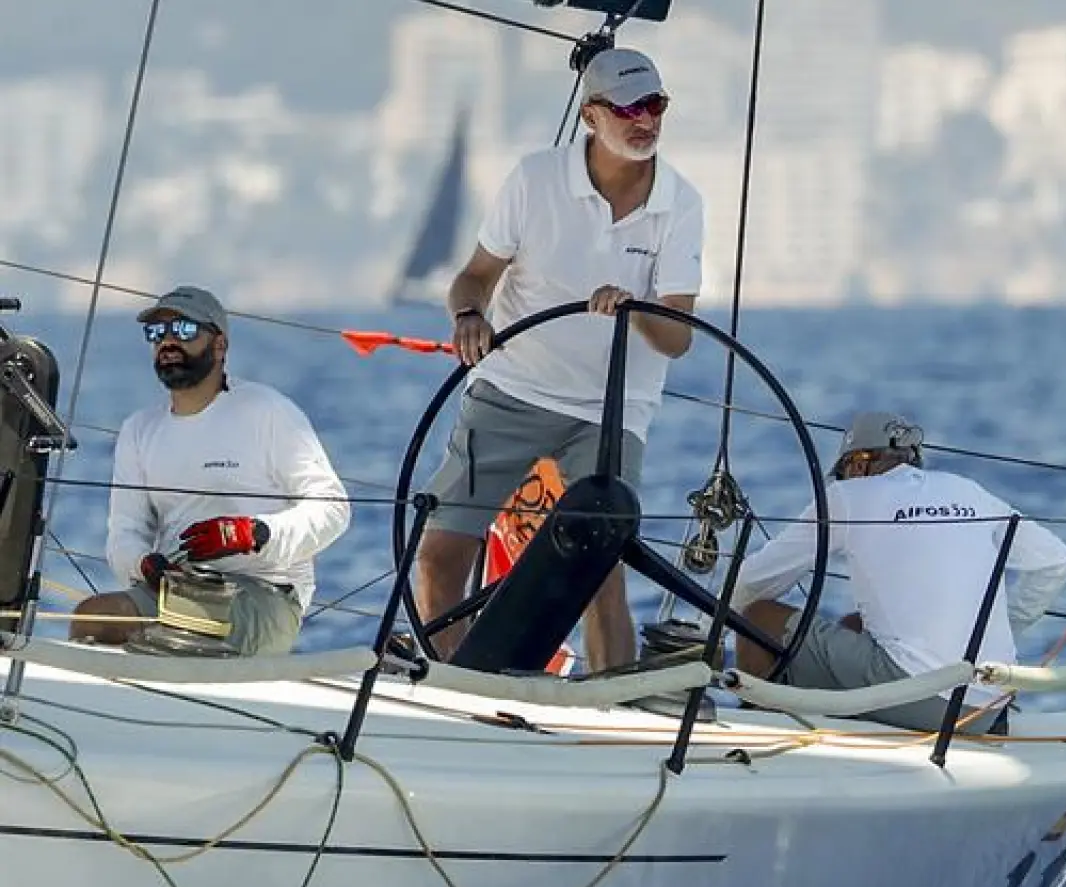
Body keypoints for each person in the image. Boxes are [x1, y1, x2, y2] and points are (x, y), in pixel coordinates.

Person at [416, 45, 705, 672]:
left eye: (654, 105)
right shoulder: (533, 179)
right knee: (441, 552)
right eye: (627, 108)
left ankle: (610, 709)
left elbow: (677, 337)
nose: (644, 121)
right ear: (591, 114)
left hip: (612, 408)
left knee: (599, 570)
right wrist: (468, 317)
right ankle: (456, 692)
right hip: (514, 389)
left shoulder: (681, 204)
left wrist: (635, 306)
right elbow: (472, 278)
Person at [729, 411, 1066, 733]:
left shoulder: (847, 495)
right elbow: (1058, 562)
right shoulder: (967, 490)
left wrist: (706, 636)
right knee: (855, 625)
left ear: (858, 464)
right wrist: (1002, 628)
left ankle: (755, 739)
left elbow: (753, 583)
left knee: (759, 618)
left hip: (926, 701)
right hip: (990, 704)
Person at [69, 285, 351, 656]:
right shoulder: (139, 430)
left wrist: (255, 532)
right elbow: (125, 533)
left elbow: (333, 508)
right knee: (92, 618)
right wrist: (145, 564)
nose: (167, 341)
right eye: (157, 333)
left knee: (165, 640)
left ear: (219, 345)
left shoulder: (268, 411)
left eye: (183, 330)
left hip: (263, 593)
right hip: (174, 590)